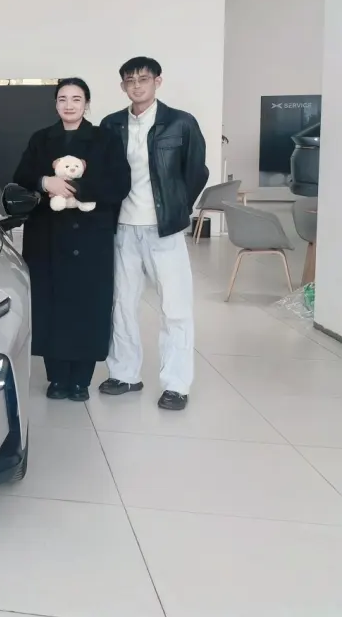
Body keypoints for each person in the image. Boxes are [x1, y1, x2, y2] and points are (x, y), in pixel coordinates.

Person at [99, 57, 208, 411]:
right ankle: (124, 374)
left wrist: (176, 207)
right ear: (122, 86)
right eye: (129, 80)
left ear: (157, 81)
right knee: (122, 304)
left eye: (143, 79)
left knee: (175, 307)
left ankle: (176, 384)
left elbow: (197, 171)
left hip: (165, 230)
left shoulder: (181, 123)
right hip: (122, 228)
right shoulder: (111, 124)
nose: (136, 85)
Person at [13, 78, 131, 401]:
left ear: (86, 104)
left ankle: (81, 380)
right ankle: (56, 378)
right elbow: (21, 174)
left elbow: (120, 183)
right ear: (55, 104)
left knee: (87, 306)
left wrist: (76, 189)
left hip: (91, 235)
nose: (69, 105)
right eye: (63, 99)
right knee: (51, 305)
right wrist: (45, 182)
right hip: (47, 235)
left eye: (76, 99)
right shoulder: (41, 138)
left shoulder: (105, 139)